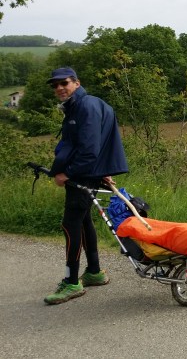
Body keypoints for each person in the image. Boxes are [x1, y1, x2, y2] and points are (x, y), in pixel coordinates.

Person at [44, 67, 129, 305]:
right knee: (83, 221)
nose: (59, 88)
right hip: (90, 173)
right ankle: (94, 272)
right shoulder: (86, 104)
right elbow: (99, 142)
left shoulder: (85, 106)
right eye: (55, 85)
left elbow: (90, 149)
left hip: (81, 174)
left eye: (64, 83)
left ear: (77, 83)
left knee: (70, 223)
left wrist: (67, 173)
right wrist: (102, 171)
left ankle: (71, 282)